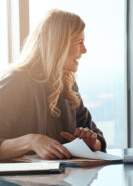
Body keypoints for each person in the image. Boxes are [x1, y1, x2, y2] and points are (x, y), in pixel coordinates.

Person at [0, 9, 106, 160]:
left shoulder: (69, 85)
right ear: (59, 45)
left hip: (61, 180)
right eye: (79, 42)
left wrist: (92, 143)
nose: (84, 50)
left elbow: (99, 138)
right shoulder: (15, 81)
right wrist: (31, 141)